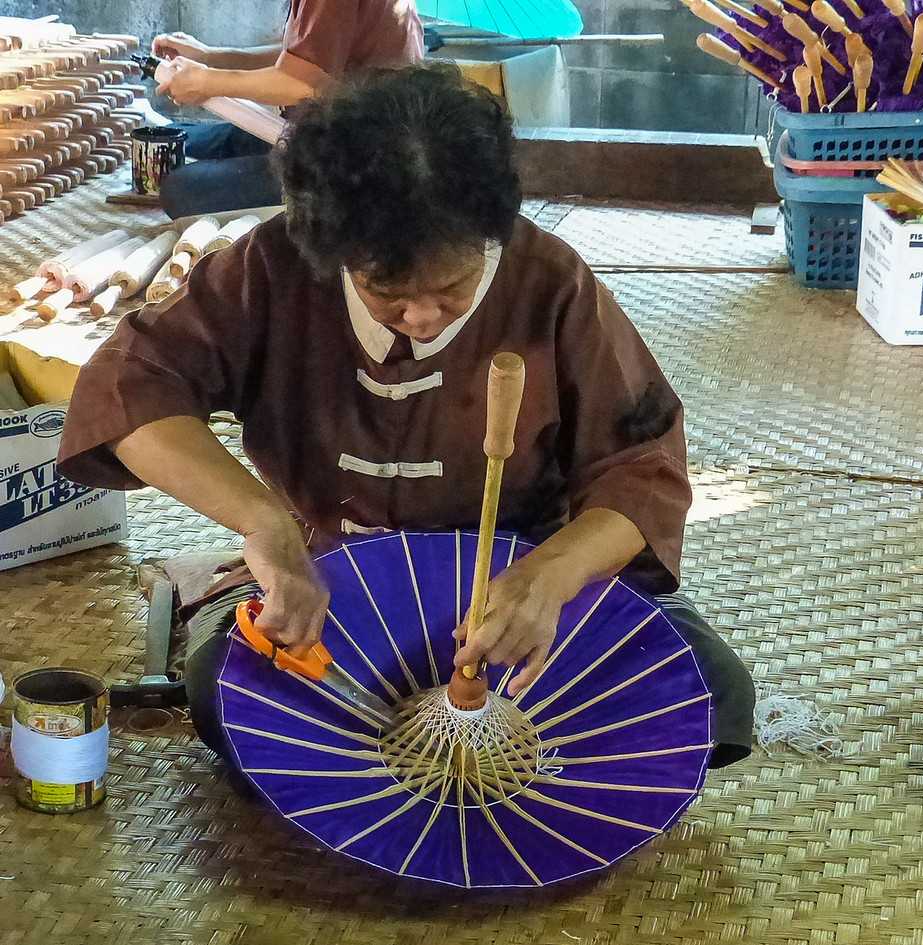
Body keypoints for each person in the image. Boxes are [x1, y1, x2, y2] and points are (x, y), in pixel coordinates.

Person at [58, 62, 754, 770]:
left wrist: (552, 576)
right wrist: (264, 526)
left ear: (491, 231)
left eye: (449, 288)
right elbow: (132, 385)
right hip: (331, 574)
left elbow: (642, 468)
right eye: (385, 290)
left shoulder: (551, 284)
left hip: (517, 579)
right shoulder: (274, 266)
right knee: (227, 699)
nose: (420, 316)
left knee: (713, 698)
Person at [148, 0, 424, 217]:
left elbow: (302, 84)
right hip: (317, 132)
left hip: (358, 165)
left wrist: (206, 81)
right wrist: (210, 57)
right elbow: (298, 59)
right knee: (188, 138)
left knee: (181, 189)